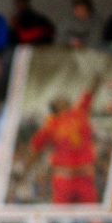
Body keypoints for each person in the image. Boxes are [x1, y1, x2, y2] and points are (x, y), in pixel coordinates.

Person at [24, 74, 101, 205]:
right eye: (58, 100)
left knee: (91, 214)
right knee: (60, 214)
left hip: (84, 175)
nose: (62, 100)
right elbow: (36, 148)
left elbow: (90, 93)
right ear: (54, 107)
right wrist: (25, 169)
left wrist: (97, 77)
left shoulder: (79, 112)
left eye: (63, 99)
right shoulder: (50, 124)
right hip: (64, 176)